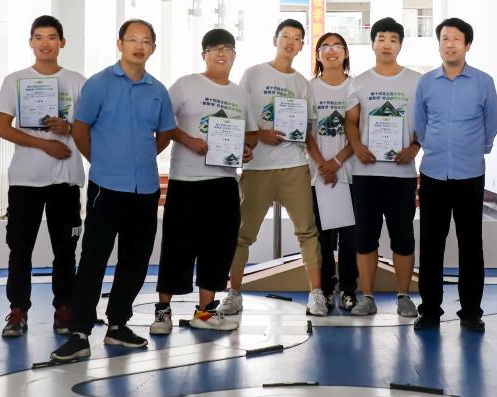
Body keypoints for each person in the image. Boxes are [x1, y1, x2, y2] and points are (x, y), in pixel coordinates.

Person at [50, 19, 176, 362]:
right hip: (106, 186)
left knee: (136, 260)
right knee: (94, 259)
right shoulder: (99, 84)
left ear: (153, 48)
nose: (139, 46)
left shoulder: (157, 90)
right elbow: (79, 128)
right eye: (132, 39)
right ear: (120, 44)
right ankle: (79, 332)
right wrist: (100, 159)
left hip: (145, 188)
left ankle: (118, 324)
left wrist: (142, 158)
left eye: (146, 41)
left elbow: (165, 133)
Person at [148, 29, 257, 335]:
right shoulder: (186, 84)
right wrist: (188, 140)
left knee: (218, 247)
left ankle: (205, 312)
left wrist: (247, 149)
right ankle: (163, 311)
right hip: (187, 180)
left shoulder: (240, 94)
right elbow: (163, 121)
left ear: (234, 55)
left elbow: (251, 133)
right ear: (204, 55)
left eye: (227, 49)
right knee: (177, 246)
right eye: (214, 49)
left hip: (224, 181)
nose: (221, 54)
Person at [220, 19, 328, 317]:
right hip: (258, 167)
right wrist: (259, 135)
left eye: (297, 38)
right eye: (285, 36)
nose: (290, 42)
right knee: (243, 234)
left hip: (294, 165)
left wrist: (313, 152)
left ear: (302, 45)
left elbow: (307, 128)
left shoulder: (302, 83)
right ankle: (233, 292)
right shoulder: (254, 74)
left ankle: (316, 294)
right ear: (275, 39)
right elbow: (237, 114)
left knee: (307, 231)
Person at [0, 15, 86, 339]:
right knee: (20, 248)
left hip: (65, 179)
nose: (45, 43)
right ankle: (18, 310)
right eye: (38, 37)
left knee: (65, 249)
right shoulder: (15, 80)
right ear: (30, 42)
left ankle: (65, 308)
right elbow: (3, 128)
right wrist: (45, 144)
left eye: (51, 37)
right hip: (25, 180)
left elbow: (89, 128)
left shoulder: (77, 81)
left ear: (62, 42)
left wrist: (68, 128)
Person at [413, 18, 497, 332]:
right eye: (445, 38)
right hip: (433, 173)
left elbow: (491, 125)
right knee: (431, 245)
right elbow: (420, 124)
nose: (450, 44)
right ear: (439, 44)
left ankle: (472, 312)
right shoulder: (425, 82)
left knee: (471, 246)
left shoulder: (483, 82)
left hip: (470, 173)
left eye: (456, 39)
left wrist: (475, 149)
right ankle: (430, 311)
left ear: (467, 45)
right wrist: (436, 147)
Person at [345, 18, 421, 317]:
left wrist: (415, 147)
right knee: (365, 238)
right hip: (366, 173)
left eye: (393, 39)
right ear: (373, 43)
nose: (386, 44)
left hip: (402, 174)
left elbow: (425, 122)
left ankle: (404, 296)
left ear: (400, 45)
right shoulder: (360, 81)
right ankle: (367, 297)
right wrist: (357, 146)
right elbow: (351, 122)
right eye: (381, 39)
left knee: (403, 237)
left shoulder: (416, 81)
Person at [305, 32, 359, 311]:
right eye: (325, 46)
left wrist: (336, 162)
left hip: (350, 172)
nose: (331, 50)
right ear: (318, 55)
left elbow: (360, 131)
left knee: (350, 237)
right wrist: (322, 164)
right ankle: (326, 289)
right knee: (323, 238)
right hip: (318, 175)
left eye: (337, 45)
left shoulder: (356, 86)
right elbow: (305, 132)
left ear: (346, 53)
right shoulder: (309, 87)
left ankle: (349, 289)